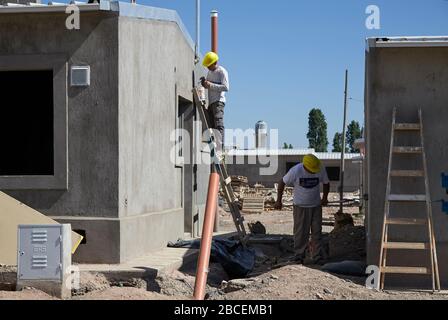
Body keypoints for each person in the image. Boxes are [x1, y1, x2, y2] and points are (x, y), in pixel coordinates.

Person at [274, 154, 330, 264]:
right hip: (300, 207)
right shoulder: (296, 171)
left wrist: (325, 198)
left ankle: (317, 256)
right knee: (300, 233)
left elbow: (326, 183)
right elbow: (282, 182)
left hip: (316, 206)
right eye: (312, 170)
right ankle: (299, 256)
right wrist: (278, 200)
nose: (314, 172)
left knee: (317, 232)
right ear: (305, 166)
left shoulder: (320, 168)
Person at [201, 52, 229, 157]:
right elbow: (209, 86)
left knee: (218, 124)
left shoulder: (222, 71)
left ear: (215, 62)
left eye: (209, 65)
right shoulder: (209, 73)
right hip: (211, 101)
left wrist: (210, 85)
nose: (208, 67)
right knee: (211, 125)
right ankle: (213, 147)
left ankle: (220, 149)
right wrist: (205, 83)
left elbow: (226, 87)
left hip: (218, 102)